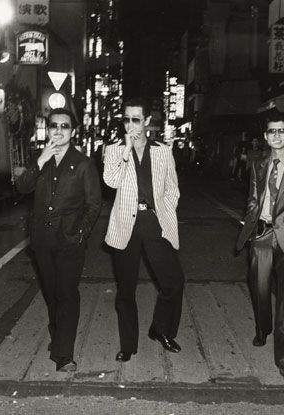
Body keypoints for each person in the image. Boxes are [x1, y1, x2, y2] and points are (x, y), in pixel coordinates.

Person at [14, 108, 102, 372]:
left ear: (73, 132)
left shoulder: (84, 164)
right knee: (51, 294)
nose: (59, 131)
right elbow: (22, 187)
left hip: (69, 241)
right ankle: (58, 337)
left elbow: (94, 205)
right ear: (48, 130)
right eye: (54, 126)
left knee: (67, 295)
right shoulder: (40, 160)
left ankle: (65, 354)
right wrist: (39, 160)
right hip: (42, 240)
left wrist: (80, 234)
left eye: (65, 126)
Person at [103, 97, 185, 362]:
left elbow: (172, 187)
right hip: (125, 223)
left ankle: (160, 329)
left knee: (173, 282)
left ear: (147, 122)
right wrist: (126, 150)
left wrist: (165, 211)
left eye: (136, 119)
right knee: (126, 288)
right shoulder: (114, 150)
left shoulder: (162, 150)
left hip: (153, 221)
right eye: (126, 119)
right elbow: (111, 181)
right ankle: (128, 345)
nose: (130, 125)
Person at [235, 111, 284, 378]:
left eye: (282, 131)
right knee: (258, 289)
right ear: (266, 136)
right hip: (261, 235)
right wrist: (250, 221)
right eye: (272, 131)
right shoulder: (259, 163)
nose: (277, 135)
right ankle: (262, 328)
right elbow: (253, 197)